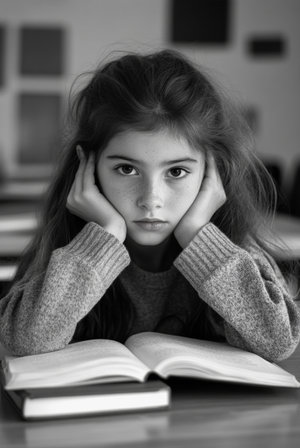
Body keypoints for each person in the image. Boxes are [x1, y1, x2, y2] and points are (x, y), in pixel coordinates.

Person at [0, 49, 299, 361]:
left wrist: (199, 236)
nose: (151, 200)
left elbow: (277, 341)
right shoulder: (69, 243)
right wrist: (102, 240)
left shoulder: (228, 244)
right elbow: (25, 340)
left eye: (177, 172)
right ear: (87, 168)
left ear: (212, 175)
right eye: (127, 169)